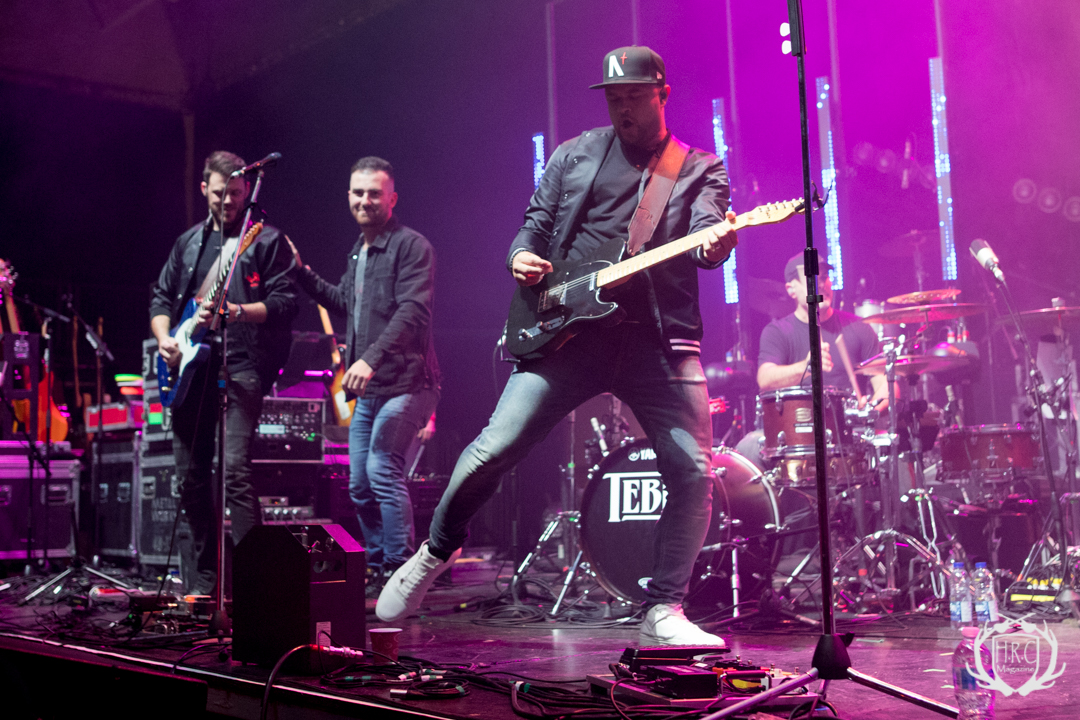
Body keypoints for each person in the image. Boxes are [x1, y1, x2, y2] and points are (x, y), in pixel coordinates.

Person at [377, 46, 738, 646]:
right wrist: (520, 255)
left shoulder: (700, 167)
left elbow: (707, 229)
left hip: (657, 344)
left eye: (634, 96)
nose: (623, 109)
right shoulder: (575, 154)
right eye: (614, 99)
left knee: (693, 471)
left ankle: (663, 607)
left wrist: (713, 244)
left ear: (662, 94)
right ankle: (434, 551)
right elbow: (534, 225)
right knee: (493, 447)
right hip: (569, 332)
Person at [151, 151, 298, 595]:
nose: (228, 201)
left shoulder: (265, 240)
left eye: (236, 193)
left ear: (246, 190)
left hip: (243, 366)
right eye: (220, 193)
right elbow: (161, 298)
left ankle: (256, 587)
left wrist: (236, 311)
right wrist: (165, 338)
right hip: (189, 370)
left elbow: (286, 304)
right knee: (190, 477)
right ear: (205, 189)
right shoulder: (188, 243)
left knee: (234, 471)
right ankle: (203, 583)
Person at [289, 157, 440, 590]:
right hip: (373, 390)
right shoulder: (358, 251)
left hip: (409, 383)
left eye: (374, 193)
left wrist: (369, 359)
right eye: (358, 192)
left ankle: (399, 569)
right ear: (349, 197)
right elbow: (344, 303)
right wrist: (301, 272)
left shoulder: (412, 247)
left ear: (392, 199)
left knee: (381, 470)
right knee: (358, 485)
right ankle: (375, 567)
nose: (365, 200)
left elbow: (412, 312)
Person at [757, 253, 886, 404]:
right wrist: (806, 367)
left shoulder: (859, 327)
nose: (821, 284)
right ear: (791, 290)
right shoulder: (777, 332)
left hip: (851, 418)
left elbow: (884, 384)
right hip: (801, 418)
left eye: (824, 277)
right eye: (812, 279)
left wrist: (870, 411)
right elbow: (764, 379)